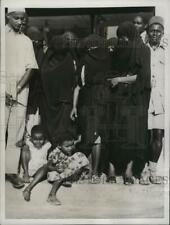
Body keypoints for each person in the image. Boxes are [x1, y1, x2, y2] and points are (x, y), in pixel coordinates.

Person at [107, 22, 151, 184]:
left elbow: (143, 77)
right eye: (120, 37)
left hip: (135, 99)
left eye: (124, 36)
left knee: (132, 134)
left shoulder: (143, 50)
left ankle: (128, 170)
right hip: (118, 98)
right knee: (116, 133)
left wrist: (120, 79)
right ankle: (111, 168)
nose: (122, 40)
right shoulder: (121, 50)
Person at [70, 34, 112, 183]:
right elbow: (78, 86)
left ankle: (93, 171)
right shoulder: (108, 59)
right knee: (95, 136)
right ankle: (93, 171)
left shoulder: (84, 61)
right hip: (100, 101)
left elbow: (78, 86)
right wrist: (74, 106)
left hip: (90, 101)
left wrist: (75, 106)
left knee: (93, 135)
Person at [5, 8, 38, 188]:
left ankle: (11, 172)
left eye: (23, 19)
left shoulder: (26, 41)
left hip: (20, 92)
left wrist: (16, 89)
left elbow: (31, 68)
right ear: (7, 17)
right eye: (16, 18)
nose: (20, 22)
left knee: (16, 134)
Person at [22, 132, 89, 205]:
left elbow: (78, 162)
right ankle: (51, 195)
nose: (70, 148)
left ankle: (65, 179)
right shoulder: (55, 153)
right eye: (67, 146)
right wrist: (56, 169)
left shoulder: (73, 151)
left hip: (67, 174)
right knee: (50, 169)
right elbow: (49, 166)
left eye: (72, 145)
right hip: (56, 174)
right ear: (60, 146)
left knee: (80, 155)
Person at [140, 16, 165, 185]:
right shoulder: (142, 50)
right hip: (144, 98)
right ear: (147, 32)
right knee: (143, 136)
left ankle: (153, 170)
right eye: (152, 31)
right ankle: (142, 170)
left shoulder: (166, 51)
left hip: (161, 100)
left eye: (158, 31)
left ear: (162, 33)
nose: (155, 34)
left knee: (158, 134)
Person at [40, 35, 76, 146]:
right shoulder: (68, 59)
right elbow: (73, 82)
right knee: (62, 133)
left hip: (48, 105)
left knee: (50, 133)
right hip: (64, 103)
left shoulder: (46, 62)